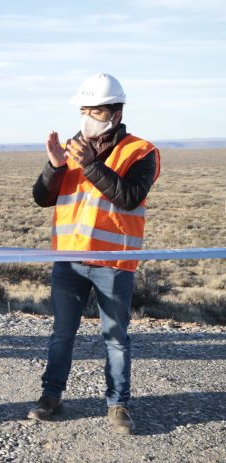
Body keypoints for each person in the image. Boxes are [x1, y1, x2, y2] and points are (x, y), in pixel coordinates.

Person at [29, 73, 160, 434]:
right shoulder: (72, 148)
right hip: (68, 260)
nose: (86, 117)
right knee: (62, 333)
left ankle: (118, 405)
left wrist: (89, 164)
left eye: (95, 111)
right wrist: (54, 166)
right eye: (83, 110)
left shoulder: (141, 151)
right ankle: (50, 397)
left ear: (115, 114)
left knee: (116, 337)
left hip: (113, 263)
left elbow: (129, 195)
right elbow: (43, 198)